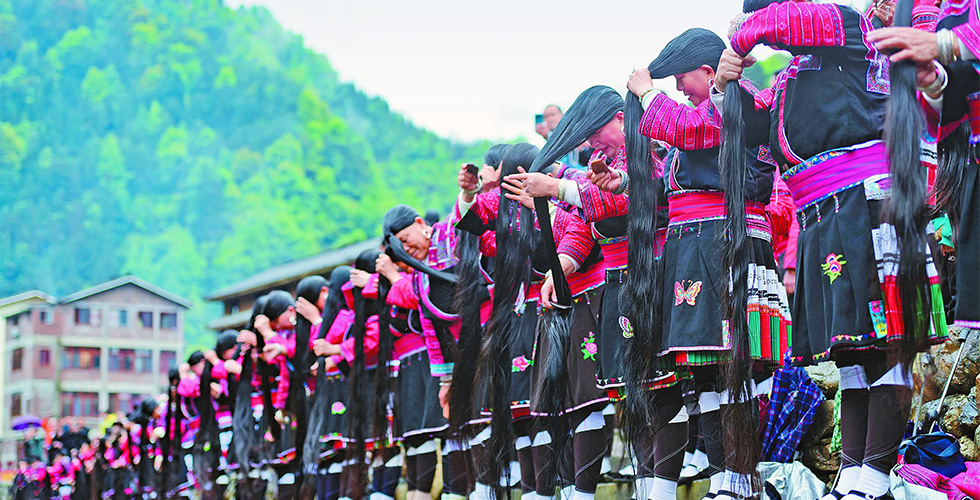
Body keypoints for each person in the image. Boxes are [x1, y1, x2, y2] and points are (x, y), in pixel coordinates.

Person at [718, 1, 950, 498]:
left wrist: (739, 41)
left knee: (887, 345)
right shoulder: (787, 79)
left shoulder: (844, 26)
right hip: (824, 214)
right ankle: (852, 471)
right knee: (851, 352)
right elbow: (754, 133)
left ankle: (875, 476)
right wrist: (729, 83)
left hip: (873, 201)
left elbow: (783, 22)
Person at [617, 27, 785, 499]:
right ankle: (724, 480)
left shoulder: (737, 100)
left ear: (709, 72)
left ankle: (741, 480)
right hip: (695, 246)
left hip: (724, 242)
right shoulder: (704, 110)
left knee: (733, 367)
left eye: (680, 78)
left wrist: (646, 94)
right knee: (708, 372)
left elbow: (688, 131)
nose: (675, 89)